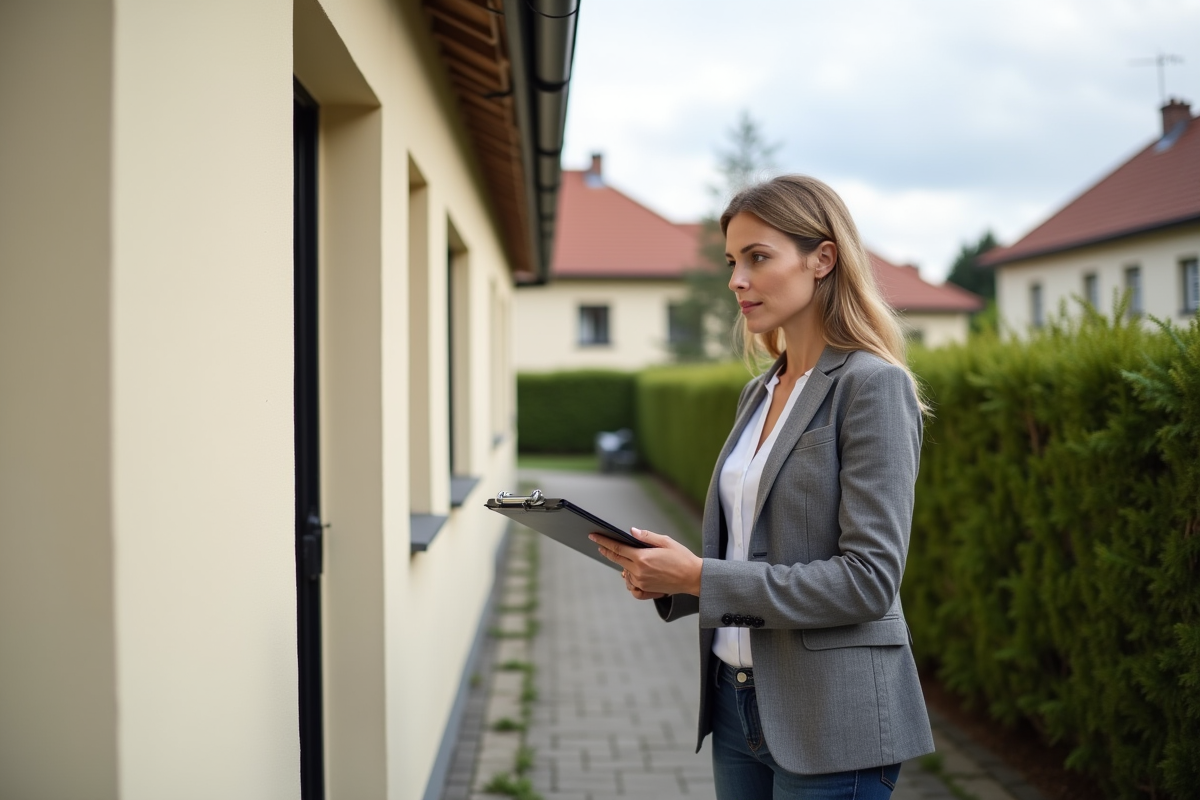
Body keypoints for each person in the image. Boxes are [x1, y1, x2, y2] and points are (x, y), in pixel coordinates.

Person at [588, 175, 935, 799]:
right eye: (732, 262)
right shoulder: (759, 391)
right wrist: (674, 577)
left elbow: (868, 580)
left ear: (822, 259)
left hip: (833, 718)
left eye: (757, 257)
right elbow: (755, 552)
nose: (736, 280)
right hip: (734, 698)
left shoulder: (871, 386)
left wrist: (701, 577)